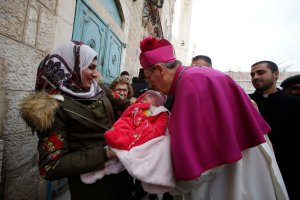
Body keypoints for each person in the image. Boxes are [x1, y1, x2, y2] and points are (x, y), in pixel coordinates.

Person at [138, 36, 289, 200]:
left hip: (229, 172)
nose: (150, 85)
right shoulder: (194, 77)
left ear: (160, 69)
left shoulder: (192, 82)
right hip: (234, 162)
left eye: (148, 77)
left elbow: (202, 156)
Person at [20, 41, 133, 200]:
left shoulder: (98, 88)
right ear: (71, 67)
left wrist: (149, 106)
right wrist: (105, 154)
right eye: (90, 67)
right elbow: (51, 166)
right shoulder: (54, 107)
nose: (95, 73)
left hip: (121, 178)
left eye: (96, 66)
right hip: (92, 189)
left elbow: (125, 105)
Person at [81, 90, 174, 199]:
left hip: (135, 139)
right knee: (112, 154)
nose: (145, 96)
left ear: (157, 102)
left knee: (125, 157)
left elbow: (155, 129)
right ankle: (98, 171)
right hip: (123, 133)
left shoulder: (156, 112)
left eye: (150, 96)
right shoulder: (135, 107)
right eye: (145, 94)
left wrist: (131, 138)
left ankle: (148, 183)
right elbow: (124, 119)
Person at [249, 60, 300, 200]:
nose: (255, 77)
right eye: (252, 74)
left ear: (276, 74)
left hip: (288, 169)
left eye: (261, 72)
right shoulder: (245, 102)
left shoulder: (294, 104)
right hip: (255, 169)